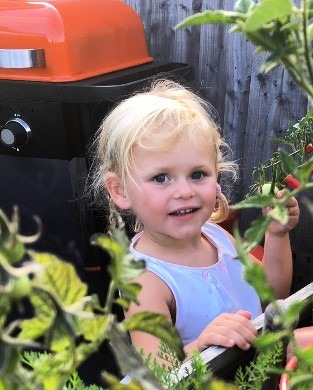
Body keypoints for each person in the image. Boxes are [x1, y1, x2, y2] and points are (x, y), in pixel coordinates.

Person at [89, 79, 299, 364]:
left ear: (216, 174)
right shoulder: (144, 279)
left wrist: (276, 235)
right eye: (161, 178)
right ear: (120, 191)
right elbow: (160, 374)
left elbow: (270, 296)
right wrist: (202, 346)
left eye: (197, 174)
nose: (185, 191)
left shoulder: (218, 238)